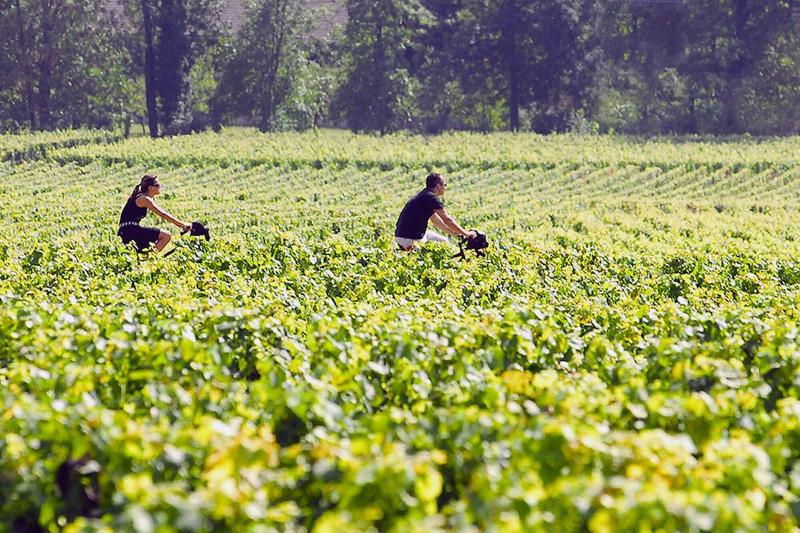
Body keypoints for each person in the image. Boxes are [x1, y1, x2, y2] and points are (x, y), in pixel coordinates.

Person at [395, 172, 476, 251]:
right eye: (444, 185)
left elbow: (436, 220)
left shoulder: (425, 195)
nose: (445, 187)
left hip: (409, 235)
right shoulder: (431, 198)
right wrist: (467, 234)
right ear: (438, 186)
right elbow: (447, 219)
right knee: (426, 256)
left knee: (444, 242)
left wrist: (453, 232)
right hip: (409, 238)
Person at [118, 174, 190, 252]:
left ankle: (149, 256)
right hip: (130, 230)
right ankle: (152, 257)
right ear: (150, 188)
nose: (160, 187)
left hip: (129, 229)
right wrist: (182, 224)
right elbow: (163, 214)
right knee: (166, 236)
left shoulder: (142, 197)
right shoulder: (144, 199)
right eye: (157, 185)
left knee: (144, 252)